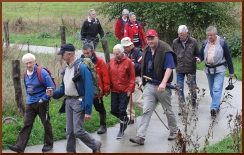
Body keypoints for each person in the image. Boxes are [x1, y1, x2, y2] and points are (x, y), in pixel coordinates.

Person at [46, 43, 101, 153]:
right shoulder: (66, 68)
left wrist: (88, 110)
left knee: (78, 130)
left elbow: (89, 90)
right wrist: (53, 94)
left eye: (63, 54)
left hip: (79, 102)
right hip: (68, 102)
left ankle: (95, 144)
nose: (61, 56)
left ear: (69, 54)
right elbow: (63, 89)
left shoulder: (82, 68)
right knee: (70, 131)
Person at [129, 30, 178, 145]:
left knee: (168, 110)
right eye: (148, 38)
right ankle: (140, 136)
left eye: (152, 38)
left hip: (163, 87)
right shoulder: (146, 50)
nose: (150, 41)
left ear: (157, 37)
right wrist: (142, 79)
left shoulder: (166, 50)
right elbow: (143, 67)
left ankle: (174, 131)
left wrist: (163, 83)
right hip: (150, 86)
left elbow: (169, 68)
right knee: (146, 110)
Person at [8, 53, 54, 153]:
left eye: (30, 62)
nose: (29, 65)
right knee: (27, 124)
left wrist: (43, 99)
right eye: (26, 63)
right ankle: (19, 147)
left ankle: (49, 144)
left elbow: (51, 87)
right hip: (30, 103)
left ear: (35, 62)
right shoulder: (25, 74)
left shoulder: (42, 73)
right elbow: (27, 87)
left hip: (41, 102)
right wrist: (29, 99)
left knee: (45, 123)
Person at [196, 26, 235, 117]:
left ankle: (213, 108)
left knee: (216, 88)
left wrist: (231, 71)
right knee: (212, 89)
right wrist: (199, 59)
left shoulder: (222, 43)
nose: (209, 37)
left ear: (215, 34)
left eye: (211, 35)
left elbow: (228, 57)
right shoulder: (205, 43)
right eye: (208, 35)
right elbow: (201, 54)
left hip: (220, 69)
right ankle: (216, 105)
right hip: (208, 69)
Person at [80, 44, 110, 134]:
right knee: (81, 109)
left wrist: (106, 88)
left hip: (97, 90)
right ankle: (78, 127)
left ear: (92, 51)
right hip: (85, 91)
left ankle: (103, 125)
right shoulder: (81, 62)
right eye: (84, 53)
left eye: (87, 53)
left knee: (100, 108)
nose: (86, 55)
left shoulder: (99, 61)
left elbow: (105, 75)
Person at [108, 44, 135, 139]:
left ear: (122, 52)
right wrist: (107, 88)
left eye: (117, 54)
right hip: (114, 89)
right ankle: (125, 119)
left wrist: (130, 90)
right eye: (114, 54)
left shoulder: (128, 62)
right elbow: (108, 74)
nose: (115, 56)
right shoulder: (112, 61)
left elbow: (132, 77)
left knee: (122, 110)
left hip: (124, 90)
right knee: (114, 110)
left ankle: (121, 130)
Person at [172, 25, 199, 115]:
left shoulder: (193, 41)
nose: (181, 37)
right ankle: (182, 107)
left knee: (192, 87)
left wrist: (197, 59)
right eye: (180, 35)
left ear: (187, 33)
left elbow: (197, 53)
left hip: (190, 68)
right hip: (179, 68)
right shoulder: (175, 42)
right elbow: (173, 53)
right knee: (179, 89)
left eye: (183, 35)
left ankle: (193, 100)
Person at [121, 37, 143, 125]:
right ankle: (130, 117)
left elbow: (143, 67)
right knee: (128, 99)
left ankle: (147, 112)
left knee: (136, 100)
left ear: (131, 45)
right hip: (127, 79)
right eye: (124, 47)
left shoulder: (139, 53)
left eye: (126, 46)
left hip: (137, 78)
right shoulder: (124, 54)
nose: (125, 48)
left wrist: (134, 65)